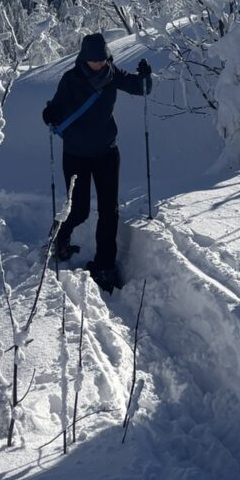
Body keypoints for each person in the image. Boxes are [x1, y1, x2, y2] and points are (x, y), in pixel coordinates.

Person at [42, 31, 151, 289]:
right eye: (94, 60)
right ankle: (59, 240)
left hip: (107, 153)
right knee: (78, 209)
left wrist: (145, 77)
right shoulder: (71, 79)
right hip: (76, 155)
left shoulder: (112, 74)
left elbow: (140, 88)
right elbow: (55, 108)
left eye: (101, 59)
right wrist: (49, 114)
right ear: (84, 58)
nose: (98, 64)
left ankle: (105, 266)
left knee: (109, 211)